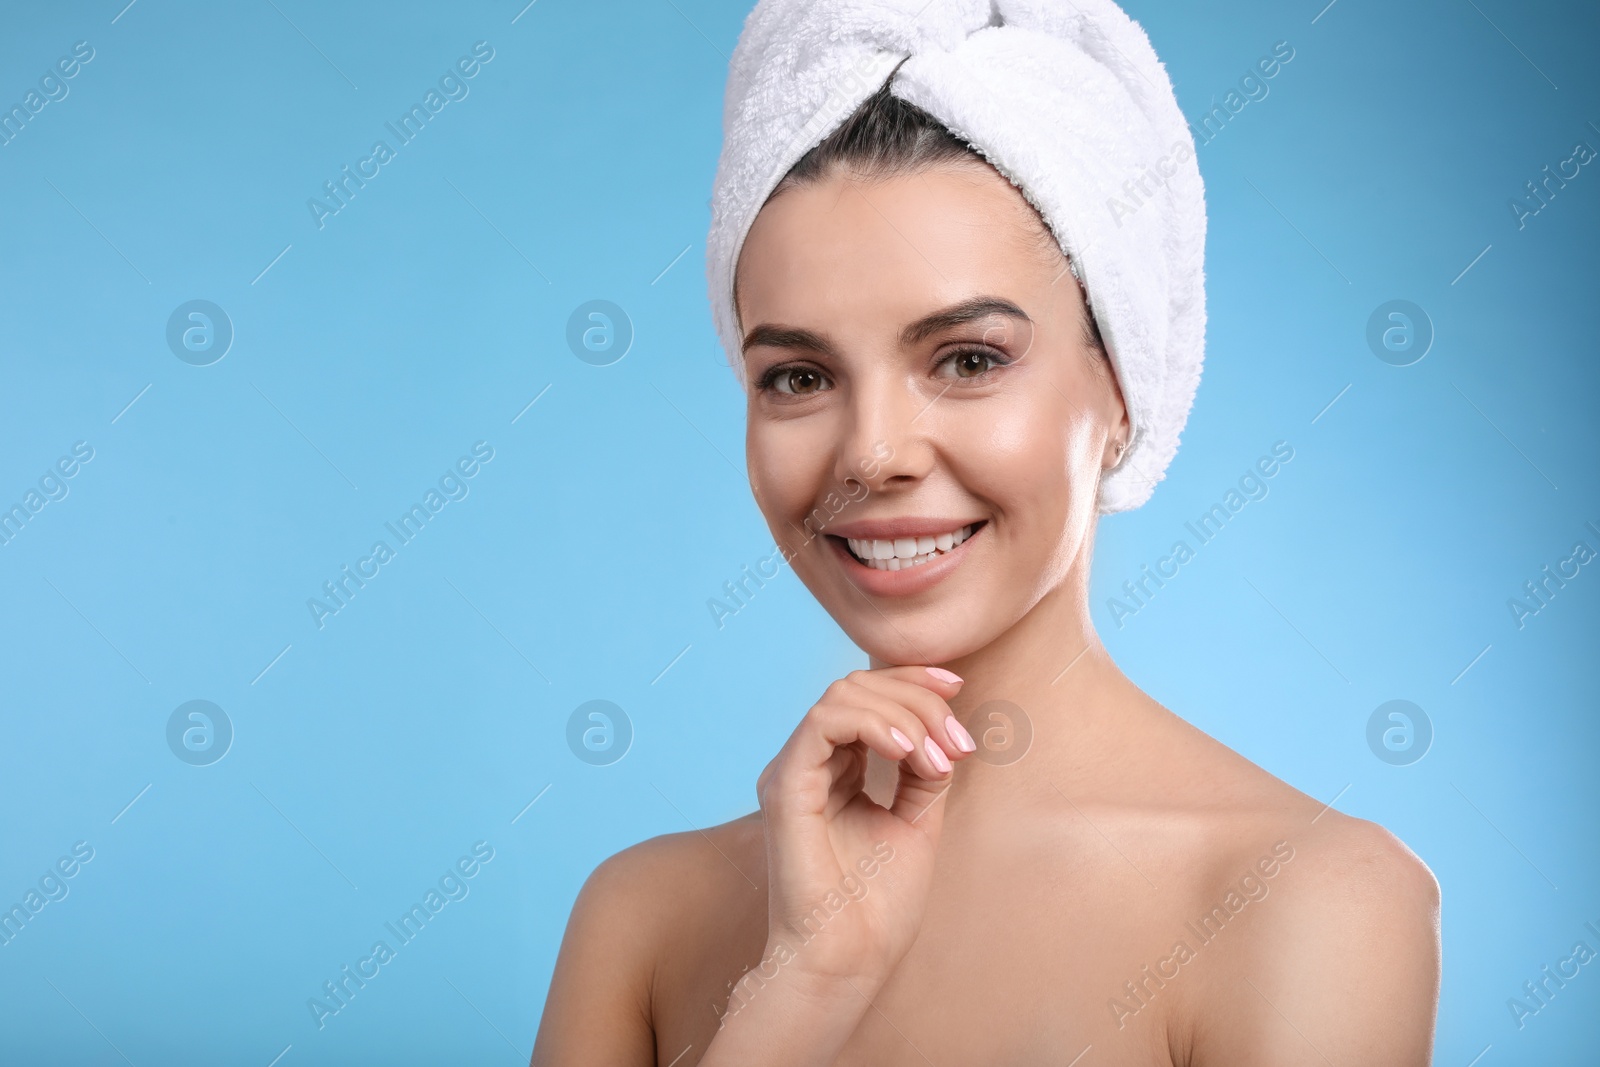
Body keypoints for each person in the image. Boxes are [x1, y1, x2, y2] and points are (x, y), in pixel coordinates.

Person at [533, 4, 1440, 1064]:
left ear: (1120, 391)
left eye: (967, 358)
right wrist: (805, 986)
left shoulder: (1308, 902)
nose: (871, 453)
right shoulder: (641, 917)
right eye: (798, 376)